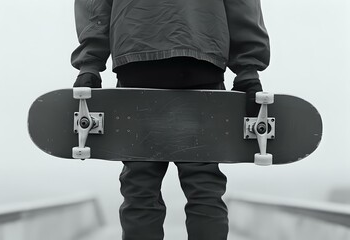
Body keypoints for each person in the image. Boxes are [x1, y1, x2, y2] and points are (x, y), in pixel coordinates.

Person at [71, 0, 270, 239]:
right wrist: (248, 68)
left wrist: (90, 64)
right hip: (201, 53)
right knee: (204, 186)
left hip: (137, 51)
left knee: (140, 188)